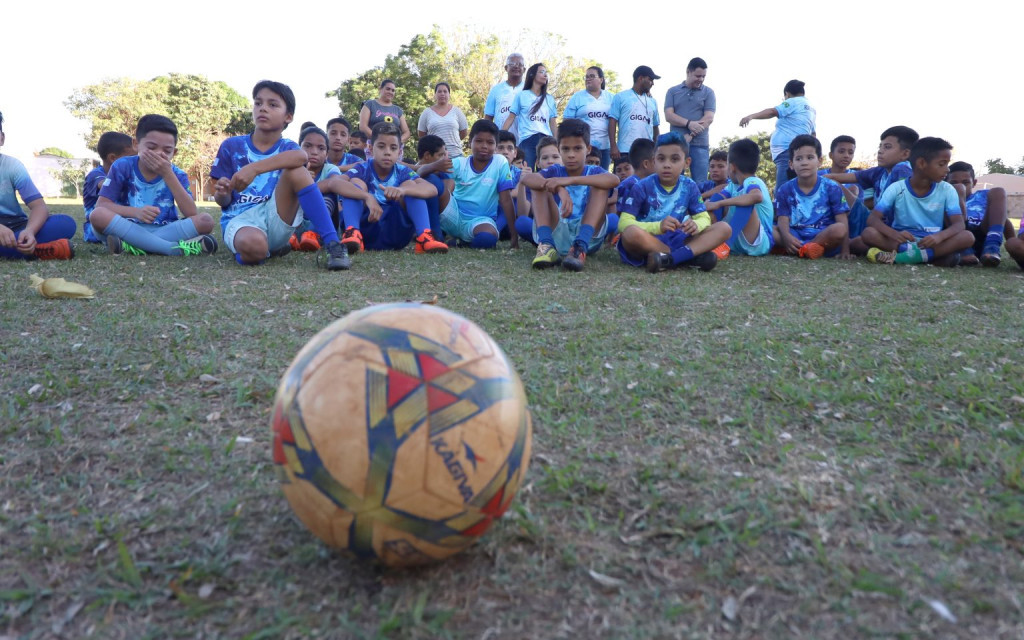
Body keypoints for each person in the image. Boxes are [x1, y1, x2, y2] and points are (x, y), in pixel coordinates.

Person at [210, 80, 349, 270]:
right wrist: (223, 193)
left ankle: (333, 244)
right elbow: (222, 201)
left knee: (297, 170)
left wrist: (254, 168)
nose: (263, 109)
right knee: (255, 247)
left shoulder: (288, 148)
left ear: (288, 117)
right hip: (241, 219)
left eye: (272, 104)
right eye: (258, 103)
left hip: (278, 217)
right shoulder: (231, 146)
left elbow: (301, 156)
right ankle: (262, 251)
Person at [91, 114, 217, 257]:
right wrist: (136, 212)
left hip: (165, 228)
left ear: (174, 152)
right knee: (98, 215)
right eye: (151, 147)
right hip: (126, 227)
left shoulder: (177, 174)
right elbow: (102, 205)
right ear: (136, 144)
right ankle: (171, 249)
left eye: (167, 151)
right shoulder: (122, 166)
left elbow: (191, 213)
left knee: (206, 221)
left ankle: (132, 245)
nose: (159, 153)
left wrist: (167, 174)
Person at [616, 132, 730, 273]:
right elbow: (623, 223)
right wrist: (659, 226)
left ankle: (670, 259)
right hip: (648, 240)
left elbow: (703, 217)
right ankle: (686, 258)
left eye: (674, 159)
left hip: (678, 238)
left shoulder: (689, 185)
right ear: (654, 161)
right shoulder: (642, 186)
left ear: (686, 162)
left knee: (724, 228)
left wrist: (696, 225)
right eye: (661, 159)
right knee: (630, 233)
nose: (667, 165)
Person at [332, 122, 448, 256]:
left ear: (399, 152)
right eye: (381, 147)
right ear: (370, 148)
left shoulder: (403, 171)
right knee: (355, 182)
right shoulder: (362, 168)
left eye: (393, 148)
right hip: (366, 228)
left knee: (410, 186)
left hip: (396, 231)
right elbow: (335, 182)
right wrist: (366, 196)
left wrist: (403, 191)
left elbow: (431, 189)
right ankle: (352, 232)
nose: (387, 152)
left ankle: (424, 237)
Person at [522, 119, 619, 271]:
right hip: (558, 232)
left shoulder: (593, 171)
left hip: (588, 236)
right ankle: (546, 245)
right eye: (565, 149)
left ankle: (579, 247)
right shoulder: (554, 171)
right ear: (559, 149)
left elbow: (614, 180)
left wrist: (569, 180)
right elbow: (528, 179)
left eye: (577, 148)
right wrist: (560, 188)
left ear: (588, 149)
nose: (571, 155)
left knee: (600, 185)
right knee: (539, 184)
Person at [863, 137, 973, 266]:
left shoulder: (947, 190)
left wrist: (939, 237)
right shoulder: (897, 188)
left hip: (932, 242)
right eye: (942, 164)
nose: (948, 170)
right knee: (868, 233)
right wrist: (894, 234)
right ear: (921, 163)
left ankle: (902, 258)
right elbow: (873, 219)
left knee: (967, 237)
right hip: (902, 241)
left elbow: (959, 225)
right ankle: (926, 257)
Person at [823, 126, 918, 254]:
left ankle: (905, 250)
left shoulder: (903, 170)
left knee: (864, 238)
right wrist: (815, 179)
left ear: (905, 154)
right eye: (880, 146)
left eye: (887, 147)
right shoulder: (880, 171)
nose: (880, 151)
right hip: (877, 226)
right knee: (860, 241)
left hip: (895, 230)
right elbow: (842, 177)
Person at [0, 111, 75, 261]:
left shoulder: (12, 166)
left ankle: (19, 246)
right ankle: (39, 250)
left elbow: (39, 206)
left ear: (2, 138)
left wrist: (30, 231)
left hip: (16, 225)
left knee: (66, 223)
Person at [439, 120, 517, 249]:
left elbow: (506, 200)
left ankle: (460, 243)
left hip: (480, 221)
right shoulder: (459, 163)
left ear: (496, 146)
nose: (484, 146)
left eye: (490, 142)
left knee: (488, 239)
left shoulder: (500, 163)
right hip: (454, 216)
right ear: (470, 142)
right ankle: (434, 234)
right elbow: (433, 181)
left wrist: (514, 236)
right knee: (437, 184)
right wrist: (437, 165)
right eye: (479, 141)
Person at [773, 135, 849, 259]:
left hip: (823, 237)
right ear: (791, 164)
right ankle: (803, 249)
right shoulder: (784, 189)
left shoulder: (832, 187)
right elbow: (783, 219)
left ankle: (809, 248)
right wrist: (787, 238)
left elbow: (842, 219)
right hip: (795, 235)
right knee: (770, 229)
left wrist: (845, 250)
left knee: (839, 229)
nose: (804, 163)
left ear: (819, 161)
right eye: (799, 159)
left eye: (810, 157)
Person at [704, 139, 775, 256]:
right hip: (737, 237)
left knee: (746, 202)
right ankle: (710, 237)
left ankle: (724, 245)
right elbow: (718, 198)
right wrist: (711, 205)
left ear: (732, 167)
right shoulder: (732, 185)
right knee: (716, 199)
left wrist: (719, 204)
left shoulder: (753, 181)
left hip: (758, 241)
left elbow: (756, 196)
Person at [739, 79, 816, 183]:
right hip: (797, 152)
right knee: (794, 187)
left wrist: (751, 116)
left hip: (786, 150)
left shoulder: (793, 102)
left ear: (787, 94)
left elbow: (772, 112)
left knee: (782, 190)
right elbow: (813, 134)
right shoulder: (811, 109)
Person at [288, 125, 345, 252]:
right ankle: (290, 237)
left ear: (326, 155)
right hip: (295, 224)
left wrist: (305, 186)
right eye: (308, 146)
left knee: (330, 194)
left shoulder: (330, 169)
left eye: (321, 148)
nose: (314, 152)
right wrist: (300, 178)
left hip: (322, 228)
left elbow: (333, 182)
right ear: (299, 149)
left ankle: (313, 234)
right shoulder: (291, 170)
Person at [946, 161, 1012, 267]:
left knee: (998, 191)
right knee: (957, 192)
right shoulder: (943, 196)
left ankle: (992, 247)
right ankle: (965, 251)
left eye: (965, 182)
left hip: (984, 234)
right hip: (958, 235)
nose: (961, 186)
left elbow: (1004, 219)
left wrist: (1011, 242)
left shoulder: (983, 195)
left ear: (974, 182)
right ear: (946, 183)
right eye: (953, 183)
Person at [663, 58, 716, 184]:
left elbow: (709, 118)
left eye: (703, 76)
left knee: (700, 183)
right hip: (676, 144)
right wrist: (689, 123)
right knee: (673, 180)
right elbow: (669, 116)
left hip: (700, 145)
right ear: (688, 72)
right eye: (698, 76)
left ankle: (699, 204)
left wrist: (691, 134)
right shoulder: (672, 91)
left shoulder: (709, 92)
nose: (701, 79)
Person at [503, 63, 557, 171]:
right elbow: (511, 117)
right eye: (541, 72)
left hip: (546, 140)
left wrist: (557, 143)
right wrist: (500, 136)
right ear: (532, 74)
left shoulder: (549, 99)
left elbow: (553, 123)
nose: (545, 75)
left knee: (548, 173)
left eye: (546, 73)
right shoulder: (522, 95)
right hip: (528, 139)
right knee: (527, 172)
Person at [83, 131, 133, 243]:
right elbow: (104, 185)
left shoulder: (129, 175)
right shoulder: (95, 175)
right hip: (96, 228)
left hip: (122, 222)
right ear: (113, 158)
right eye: (131, 157)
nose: (135, 161)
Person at [513, 137, 561, 244]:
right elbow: (523, 213)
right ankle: (546, 242)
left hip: (568, 227)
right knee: (522, 222)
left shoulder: (569, 178)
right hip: (543, 228)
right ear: (538, 163)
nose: (550, 161)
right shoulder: (533, 181)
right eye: (545, 158)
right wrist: (522, 183)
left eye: (555, 157)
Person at [564, 66, 614, 169]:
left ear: (601, 79)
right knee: (583, 177)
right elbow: (567, 122)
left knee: (602, 179)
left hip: (605, 147)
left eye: (592, 76)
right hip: (584, 146)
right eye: (586, 77)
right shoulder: (577, 97)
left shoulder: (611, 98)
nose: (588, 79)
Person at [609, 66, 661, 162]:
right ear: (640, 78)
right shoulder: (621, 97)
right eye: (650, 79)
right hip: (625, 150)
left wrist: (657, 148)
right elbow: (612, 121)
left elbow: (655, 127)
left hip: (647, 152)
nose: (653, 83)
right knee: (624, 177)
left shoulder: (653, 101)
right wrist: (613, 146)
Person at [413, 134, 453, 239]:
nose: (444, 159)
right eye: (440, 155)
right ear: (427, 155)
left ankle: (435, 233)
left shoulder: (443, 174)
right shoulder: (407, 173)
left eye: (445, 155)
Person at [417, 82, 469, 159]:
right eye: (439, 91)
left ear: (449, 94)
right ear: (435, 94)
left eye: (445, 91)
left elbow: (464, 132)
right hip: (435, 158)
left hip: (456, 155)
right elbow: (422, 134)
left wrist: (451, 141)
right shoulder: (427, 112)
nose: (442, 94)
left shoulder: (457, 111)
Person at [484, 53, 526, 139]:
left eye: (520, 64)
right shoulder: (496, 90)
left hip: (524, 141)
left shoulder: (529, 90)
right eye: (512, 64)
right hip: (502, 141)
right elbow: (488, 118)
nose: (516, 66)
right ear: (506, 68)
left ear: (524, 69)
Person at [359, 79, 411, 145]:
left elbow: (406, 132)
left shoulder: (398, 110)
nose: (390, 92)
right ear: (380, 89)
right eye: (388, 89)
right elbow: (363, 127)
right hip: (372, 145)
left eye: (393, 90)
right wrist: (379, 140)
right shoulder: (370, 104)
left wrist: (397, 141)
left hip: (393, 148)